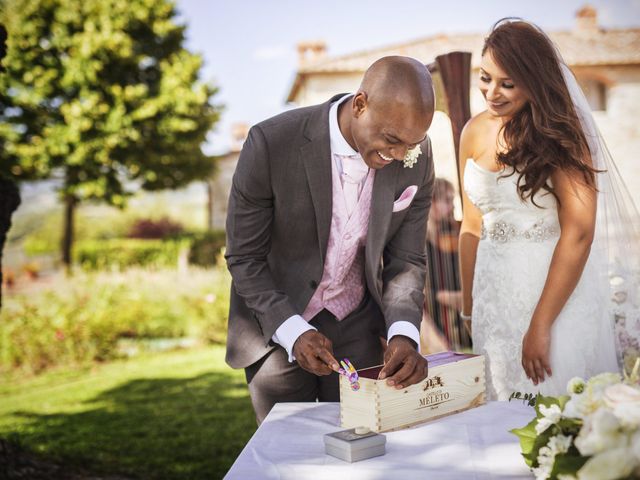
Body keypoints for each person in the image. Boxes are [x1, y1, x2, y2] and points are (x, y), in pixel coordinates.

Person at [225, 56, 436, 423]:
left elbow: (407, 261)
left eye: (411, 143)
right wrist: (292, 331)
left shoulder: (416, 156)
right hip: (277, 328)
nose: (401, 155)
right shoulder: (271, 142)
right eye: (391, 139)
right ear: (359, 105)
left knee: (366, 447)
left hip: (357, 326)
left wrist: (404, 333)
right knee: (288, 458)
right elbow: (245, 258)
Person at [459, 19, 626, 401]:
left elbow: (580, 232)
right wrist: (470, 309)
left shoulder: (562, 137)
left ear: (534, 80)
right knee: (498, 410)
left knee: (554, 406)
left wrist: (541, 324)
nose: (492, 93)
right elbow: (471, 224)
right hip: (493, 299)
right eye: (485, 78)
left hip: (552, 298)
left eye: (508, 83)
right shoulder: (472, 131)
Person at [421, 178, 470, 353]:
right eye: (447, 200)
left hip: (454, 309)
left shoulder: (448, 233)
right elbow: (426, 291)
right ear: (431, 202)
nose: (453, 207)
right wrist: (454, 298)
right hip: (436, 317)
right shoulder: (422, 244)